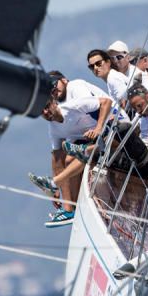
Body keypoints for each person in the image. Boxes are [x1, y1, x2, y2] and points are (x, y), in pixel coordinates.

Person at [30, 91, 113, 227]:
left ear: (54, 103)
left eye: (47, 106)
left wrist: (98, 128)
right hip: (90, 144)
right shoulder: (53, 129)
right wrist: (56, 191)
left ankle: (56, 182)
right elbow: (56, 158)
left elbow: (106, 102)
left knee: (72, 153)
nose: (45, 112)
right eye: (41, 112)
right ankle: (69, 209)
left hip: (108, 134)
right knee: (68, 158)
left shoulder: (73, 106)